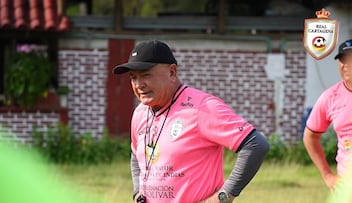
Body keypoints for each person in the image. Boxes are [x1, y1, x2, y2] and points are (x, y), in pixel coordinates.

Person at [113, 40, 269, 203]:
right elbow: (137, 153)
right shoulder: (140, 113)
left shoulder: (202, 108)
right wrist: (138, 191)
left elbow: (256, 144)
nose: (139, 85)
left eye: (146, 75)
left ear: (172, 72)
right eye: (133, 78)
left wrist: (224, 197)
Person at [303, 39, 352, 190]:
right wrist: (327, 175)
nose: (347, 65)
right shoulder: (330, 97)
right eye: (343, 59)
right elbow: (310, 136)